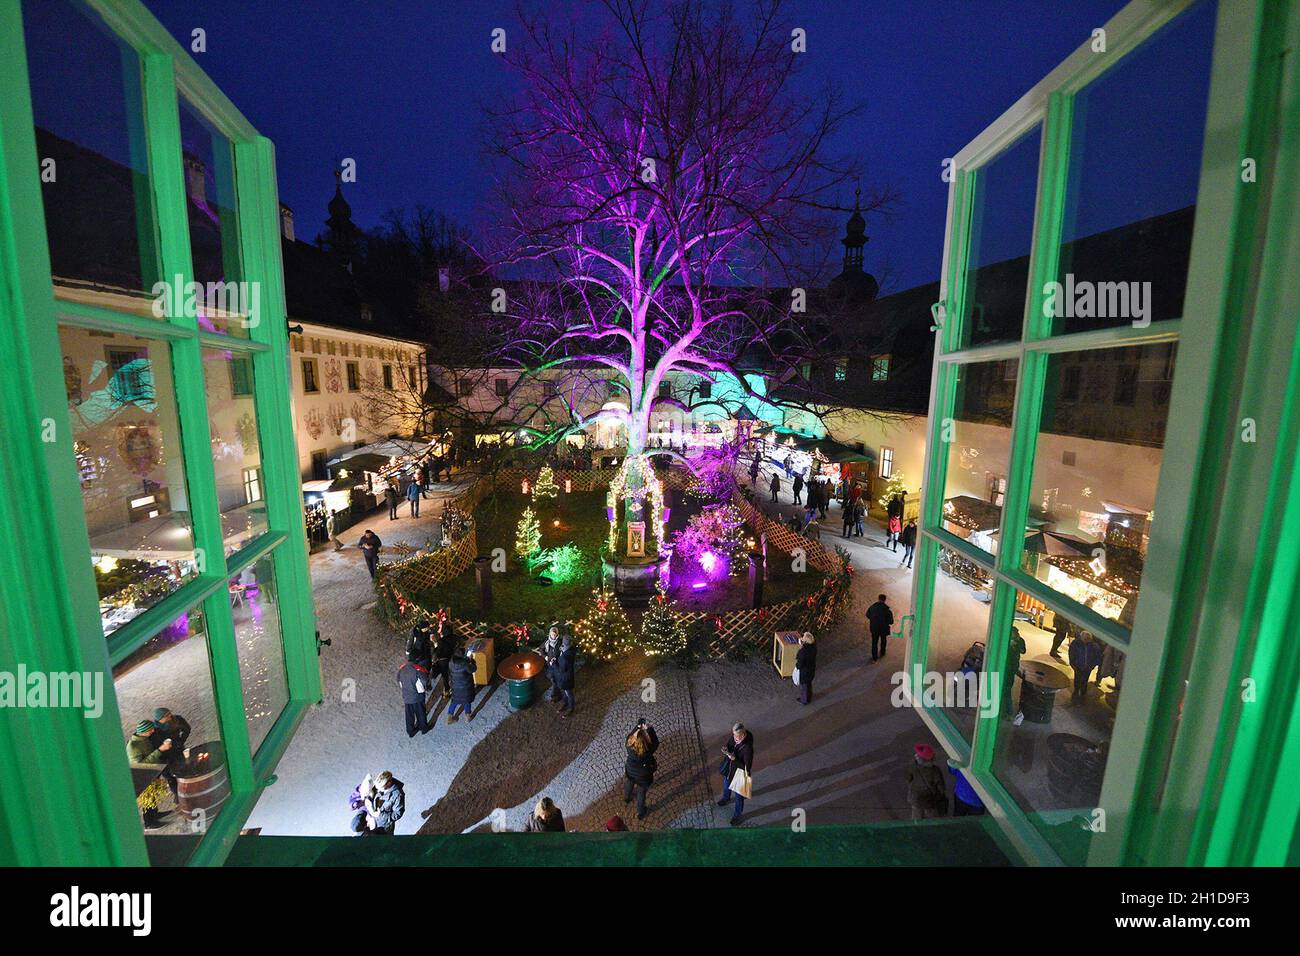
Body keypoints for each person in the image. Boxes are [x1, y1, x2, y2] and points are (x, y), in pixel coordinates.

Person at [716, 722, 755, 826]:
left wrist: (734, 759)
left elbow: (746, 768)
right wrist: (726, 749)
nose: (734, 738)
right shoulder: (735, 737)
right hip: (730, 769)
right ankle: (726, 798)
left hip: (740, 774)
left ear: (742, 735)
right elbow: (729, 744)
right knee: (726, 785)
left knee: (739, 796)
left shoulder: (747, 748)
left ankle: (737, 815)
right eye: (733, 735)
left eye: (736, 736)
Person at [623, 719, 659, 821]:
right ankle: (640, 812)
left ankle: (627, 797)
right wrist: (649, 729)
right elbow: (656, 742)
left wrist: (638, 726)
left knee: (629, 782)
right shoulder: (648, 749)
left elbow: (631, 734)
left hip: (630, 770)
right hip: (643, 775)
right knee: (641, 792)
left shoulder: (629, 744)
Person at [352, 771, 404, 835]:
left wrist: (381, 815)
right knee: (355, 827)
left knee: (378, 843)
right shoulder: (378, 785)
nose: (378, 789)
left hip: (384, 827)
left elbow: (398, 814)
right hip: (370, 820)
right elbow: (364, 791)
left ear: (389, 783)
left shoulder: (397, 795)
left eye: (381, 787)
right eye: (377, 787)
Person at [906, 744, 947, 821]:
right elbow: (941, 787)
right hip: (929, 800)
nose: (915, 755)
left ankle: (916, 828)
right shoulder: (935, 770)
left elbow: (908, 779)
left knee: (916, 816)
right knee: (932, 818)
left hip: (915, 798)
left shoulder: (912, 767)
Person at [397, 655, 430, 737]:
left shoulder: (402, 669)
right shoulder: (417, 669)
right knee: (421, 713)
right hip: (417, 697)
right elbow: (424, 681)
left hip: (407, 696)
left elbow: (399, 680)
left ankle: (410, 731)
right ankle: (424, 728)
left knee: (409, 715)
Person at [1069, 631, 1104, 704]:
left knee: (1084, 681)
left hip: (1087, 667)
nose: (1086, 640)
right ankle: (1076, 693)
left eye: (1088, 639)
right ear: (1081, 637)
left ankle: (1082, 695)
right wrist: (1073, 663)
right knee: (1077, 679)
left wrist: (1092, 665)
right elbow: (1071, 653)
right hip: (1077, 666)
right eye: (1085, 639)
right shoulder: (1075, 643)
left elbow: (1098, 657)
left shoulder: (1094, 646)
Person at [447, 649, 477, 723]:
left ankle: (449, 717)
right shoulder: (465, 664)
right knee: (467, 700)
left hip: (455, 686)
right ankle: (468, 716)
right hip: (466, 686)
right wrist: (471, 660)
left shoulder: (451, 662)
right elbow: (473, 669)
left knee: (454, 700)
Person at [1004, 625, 1027, 719]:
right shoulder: (1007, 639)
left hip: (1011, 667)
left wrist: (1015, 645)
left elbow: (1023, 651)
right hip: (1006, 666)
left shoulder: (1020, 641)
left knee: (1007, 689)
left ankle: (1009, 712)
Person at [552, 633, 577, 717]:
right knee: (565, 691)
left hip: (565, 678)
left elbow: (561, 670)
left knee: (569, 693)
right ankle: (565, 703)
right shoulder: (569, 649)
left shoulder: (566, 657)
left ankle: (571, 708)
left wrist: (554, 663)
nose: (562, 644)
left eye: (563, 643)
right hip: (565, 678)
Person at [866, 594, 894, 662]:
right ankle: (882, 652)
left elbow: (867, 614)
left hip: (874, 628)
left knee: (874, 642)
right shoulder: (887, 610)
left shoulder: (872, 607)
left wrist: (873, 620)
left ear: (878, 598)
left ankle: (874, 657)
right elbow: (891, 621)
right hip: (883, 628)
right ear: (885, 600)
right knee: (883, 640)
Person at [433, 620, 456, 698]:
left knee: (445, 676)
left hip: (443, 661)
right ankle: (455, 687)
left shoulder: (441, 641)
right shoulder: (454, 638)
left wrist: (435, 646)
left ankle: (447, 690)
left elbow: (437, 651)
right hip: (452, 658)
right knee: (453, 674)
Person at [541, 626, 563, 704]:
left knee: (555, 681)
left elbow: (563, 652)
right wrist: (545, 657)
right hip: (550, 664)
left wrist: (557, 659)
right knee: (554, 680)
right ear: (550, 634)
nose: (553, 636)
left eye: (554, 634)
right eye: (552, 634)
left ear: (557, 634)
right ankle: (559, 695)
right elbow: (541, 649)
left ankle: (554, 696)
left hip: (558, 664)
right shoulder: (547, 642)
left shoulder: (560, 642)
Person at [794, 632, 817, 705]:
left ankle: (804, 700)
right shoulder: (814, 648)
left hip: (804, 672)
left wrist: (801, 647)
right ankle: (809, 696)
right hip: (811, 669)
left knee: (804, 686)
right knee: (809, 684)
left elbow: (800, 663)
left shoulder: (803, 651)